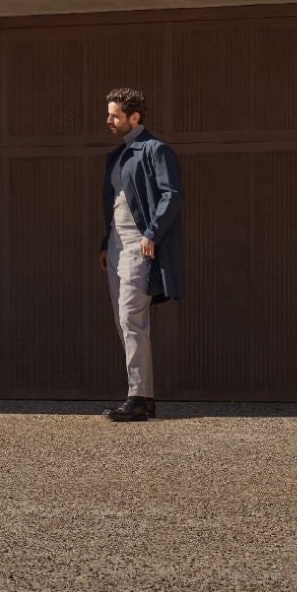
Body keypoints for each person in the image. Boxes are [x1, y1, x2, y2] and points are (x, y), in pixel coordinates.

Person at [99, 88, 183, 422]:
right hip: (117, 246)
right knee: (126, 323)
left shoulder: (154, 149)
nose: (109, 120)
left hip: (138, 244)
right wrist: (105, 243)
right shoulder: (117, 156)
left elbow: (171, 194)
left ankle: (136, 397)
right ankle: (143, 396)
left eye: (115, 115)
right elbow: (114, 203)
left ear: (134, 117)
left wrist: (152, 233)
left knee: (130, 318)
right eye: (109, 114)